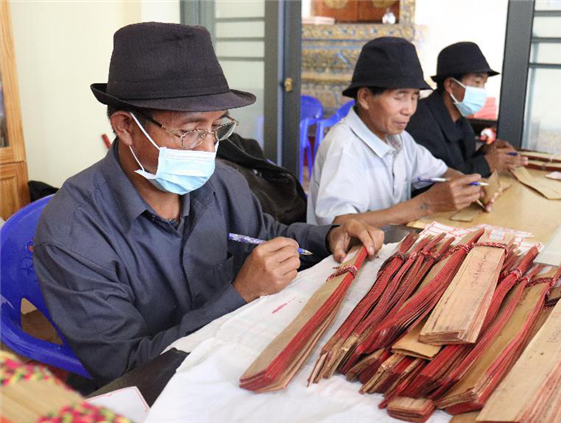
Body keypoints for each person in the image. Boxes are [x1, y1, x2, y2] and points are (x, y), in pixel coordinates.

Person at [33, 22, 383, 386]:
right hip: (150, 393)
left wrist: (329, 237)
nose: (207, 148)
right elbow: (125, 368)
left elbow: (267, 235)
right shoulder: (71, 232)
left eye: (216, 127)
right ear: (125, 127)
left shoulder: (220, 182)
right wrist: (241, 293)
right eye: (189, 131)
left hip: (232, 356)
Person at [307, 37, 486, 227]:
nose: (409, 109)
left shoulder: (400, 139)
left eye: (414, 97)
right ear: (365, 97)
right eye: (400, 97)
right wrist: (426, 204)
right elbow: (340, 225)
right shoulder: (344, 147)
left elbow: (441, 171)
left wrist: (470, 187)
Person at [407, 41, 528, 177]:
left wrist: (486, 152)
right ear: (450, 85)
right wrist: (487, 163)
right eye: (477, 82)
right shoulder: (421, 124)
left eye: (484, 84)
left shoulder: (461, 123)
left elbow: (463, 164)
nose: (482, 90)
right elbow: (433, 180)